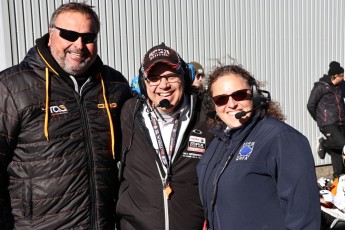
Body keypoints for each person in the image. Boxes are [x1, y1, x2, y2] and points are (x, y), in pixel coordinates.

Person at [0, 2, 132, 229]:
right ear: (51, 35)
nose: (79, 45)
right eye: (69, 35)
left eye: (88, 37)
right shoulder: (12, 86)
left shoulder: (114, 85)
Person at [197, 64, 320, 229]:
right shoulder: (217, 143)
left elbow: (304, 216)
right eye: (221, 99)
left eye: (240, 95)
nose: (231, 104)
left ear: (254, 95)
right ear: (212, 106)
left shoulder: (280, 138)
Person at [116, 43, 214, 229]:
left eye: (171, 76)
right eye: (154, 78)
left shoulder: (206, 114)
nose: (163, 85)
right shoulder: (128, 113)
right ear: (144, 83)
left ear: (184, 78)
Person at [307, 61, 345, 179]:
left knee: (336, 151)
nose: (343, 78)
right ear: (335, 76)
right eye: (342, 75)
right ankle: (324, 144)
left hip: (341, 122)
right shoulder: (321, 87)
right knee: (342, 145)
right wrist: (320, 119)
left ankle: (338, 177)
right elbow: (310, 105)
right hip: (328, 123)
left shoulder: (338, 87)